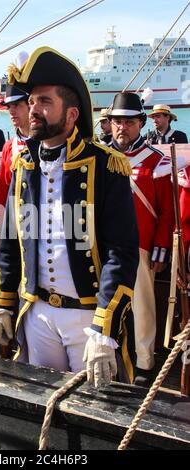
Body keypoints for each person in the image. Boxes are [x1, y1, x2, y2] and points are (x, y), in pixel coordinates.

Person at [0, 47, 139, 388]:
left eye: (44, 102)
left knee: (96, 413)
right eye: (31, 102)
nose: (33, 110)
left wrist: (104, 330)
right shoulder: (23, 165)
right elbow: (13, 242)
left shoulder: (105, 165)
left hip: (88, 317)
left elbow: (121, 251)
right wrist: (4, 301)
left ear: (71, 115)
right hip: (37, 312)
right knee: (44, 404)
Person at [108, 92, 175, 386]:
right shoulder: (101, 158)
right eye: (117, 122)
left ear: (140, 123)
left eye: (129, 122)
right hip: (105, 245)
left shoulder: (156, 161)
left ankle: (145, 361)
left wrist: (161, 248)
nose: (123, 127)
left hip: (141, 245)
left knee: (143, 306)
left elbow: (167, 211)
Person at [0, 83, 30, 209]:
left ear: (30, 106)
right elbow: (2, 188)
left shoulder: (48, 143)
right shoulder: (9, 146)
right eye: (9, 107)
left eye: (16, 105)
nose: (11, 111)